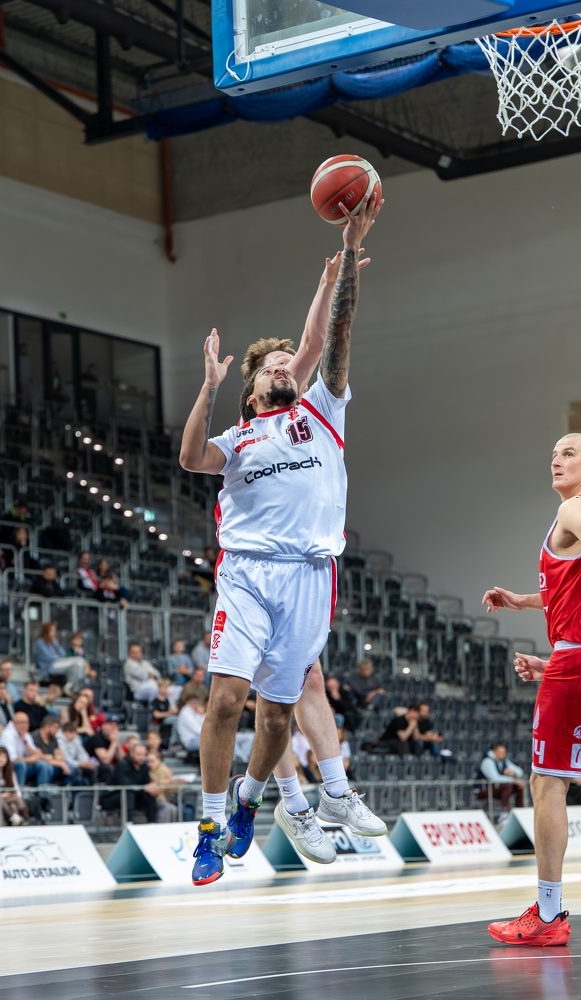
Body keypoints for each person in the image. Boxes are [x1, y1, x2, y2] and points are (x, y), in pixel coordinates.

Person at [179, 194, 386, 885]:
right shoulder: (238, 437)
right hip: (247, 574)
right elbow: (189, 459)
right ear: (252, 390)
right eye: (271, 365)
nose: (284, 366)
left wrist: (344, 261)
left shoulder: (323, 411)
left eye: (288, 362)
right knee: (225, 701)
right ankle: (210, 827)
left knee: (275, 723)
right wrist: (208, 387)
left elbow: (332, 336)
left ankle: (252, 800)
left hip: (311, 577)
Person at [481, 433, 581, 946]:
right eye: (553, 454)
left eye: (568, 453)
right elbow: (580, 586)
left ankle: (547, 916)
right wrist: (526, 603)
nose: (556, 460)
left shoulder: (577, 509)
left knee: (548, 782)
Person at [101, 743, 159, 823]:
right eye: (138, 754)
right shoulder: (122, 765)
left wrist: (151, 787)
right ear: (131, 753)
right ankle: (128, 824)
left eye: (143, 755)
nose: (141, 757)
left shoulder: (144, 767)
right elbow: (126, 786)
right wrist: (145, 788)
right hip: (112, 797)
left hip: (134, 796)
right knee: (128, 794)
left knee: (150, 795)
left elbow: (146, 784)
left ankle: (152, 823)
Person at [33, 622, 96, 693]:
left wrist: (56, 643)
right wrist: (61, 659)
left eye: (55, 631)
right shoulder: (40, 643)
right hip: (49, 666)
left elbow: (63, 654)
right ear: (46, 631)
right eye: (52, 631)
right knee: (79, 661)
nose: (54, 633)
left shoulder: (53, 643)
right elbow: (49, 657)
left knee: (78, 664)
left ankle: (71, 687)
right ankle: (77, 689)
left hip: (58, 663)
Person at [0, 712, 53, 786]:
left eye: (27, 723)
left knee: (42, 765)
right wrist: (30, 760)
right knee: (21, 764)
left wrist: (25, 742)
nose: (25, 725)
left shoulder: (26, 735)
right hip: (4, 766)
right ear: (13, 723)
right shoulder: (7, 735)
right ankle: (19, 791)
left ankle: (42, 792)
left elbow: (35, 755)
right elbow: (12, 759)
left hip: (23, 764)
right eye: (22, 722)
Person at [480, 742, 525, 822]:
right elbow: (494, 778)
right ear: (494, 752)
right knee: (507, 785)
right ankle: (504, 813)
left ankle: (519, 812)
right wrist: (513, 780)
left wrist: (513, 772)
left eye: (504, 752)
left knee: (519, 786)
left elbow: (520, 771)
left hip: (499, 789)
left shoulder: (504, 762)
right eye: (501, 752)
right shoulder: (487, 761)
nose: (503, 754)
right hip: (484, 789)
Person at [0, 746, 28, 825]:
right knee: (16, 799)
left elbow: (16, 787)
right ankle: (26, 818)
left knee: (14, 805)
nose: (1, 759)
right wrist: (2, 795)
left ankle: (17, 824)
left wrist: (14, 794)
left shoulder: (10, 773)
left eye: (4, 757)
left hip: (8, 799)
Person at [31, 715, 72, 783]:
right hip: (37, 764)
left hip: (53, 763)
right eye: (55, 727)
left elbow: (61, 756)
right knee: (48, 767)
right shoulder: (35, 737)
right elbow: (40, 757)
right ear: (46, 727)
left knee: (71, 767)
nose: (57, 731)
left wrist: (54, 759)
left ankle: (67, 788)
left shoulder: (53, 738)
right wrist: (60, 763)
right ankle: (43, 789)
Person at [85, 715, 125, 783]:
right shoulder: (97, 738)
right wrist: (114, 742)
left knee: (123, 766)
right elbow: (105, 760)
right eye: (111, 724)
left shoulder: (112, 738)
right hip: (90, 767)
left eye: (116, 726)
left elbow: (122, 759)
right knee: (108, 768)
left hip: (100, 767)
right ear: (103, 726)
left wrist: (116, 742)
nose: (113, 728)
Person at [148, 749, 181, 822]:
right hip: (152, 798)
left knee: (173, 809)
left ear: (159, 761)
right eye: (148, 761)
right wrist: (161, 784)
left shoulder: (165, 770)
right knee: (166, 808)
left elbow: (171, 786)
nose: (150, 764)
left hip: (165, 797)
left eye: (152, 761)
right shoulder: (147, 771)